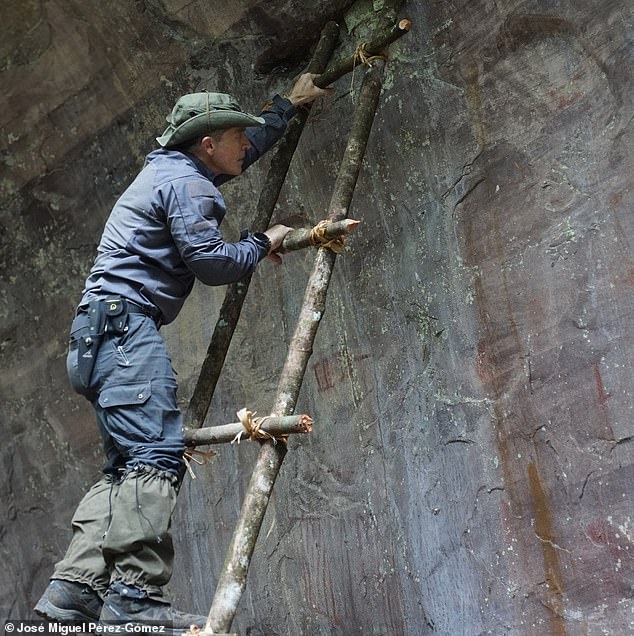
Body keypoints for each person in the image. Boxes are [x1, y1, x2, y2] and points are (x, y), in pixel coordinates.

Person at [34, 73, 331, 631]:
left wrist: (287, 105)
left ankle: (72, 594)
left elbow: (242, 153)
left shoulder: (171, 170)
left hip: (97, 337)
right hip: (126, 330)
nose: (247, 142)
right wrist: (260, 242)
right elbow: (214, 263)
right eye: (236, 136)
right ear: (207, 145)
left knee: (128, 462)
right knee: (155, 458)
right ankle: (134, 600)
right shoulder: (192, 186)